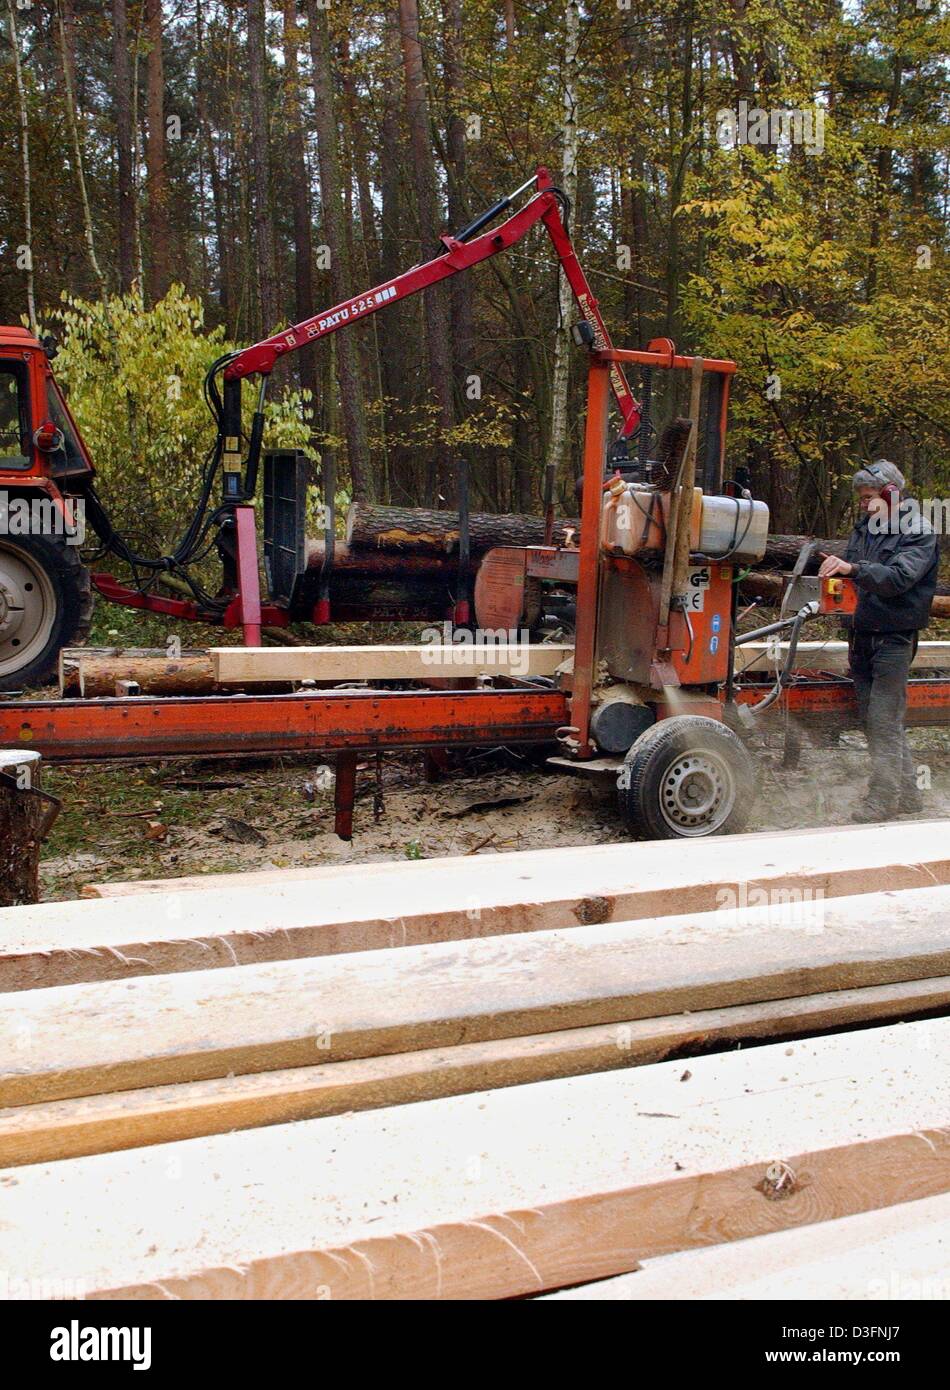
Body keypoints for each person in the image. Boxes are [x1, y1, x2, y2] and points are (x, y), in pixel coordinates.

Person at [818, 461, 939, 822]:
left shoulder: (918, 531)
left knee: (883, 720)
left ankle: (882, 801)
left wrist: (853, 570)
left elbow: (898, 578)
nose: (863, 504)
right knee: (879, 720)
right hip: (862, 633)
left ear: (891, 494)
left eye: (868, 497)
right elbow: (853, 567)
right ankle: (909, 797)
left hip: (893, 638)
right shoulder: (866, 529)